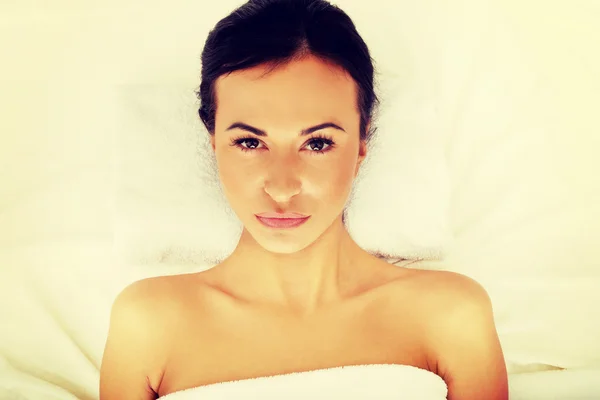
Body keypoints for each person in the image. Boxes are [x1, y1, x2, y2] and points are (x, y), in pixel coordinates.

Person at [99, 0, 509, 399]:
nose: (281, 187)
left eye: (317, 143)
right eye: (248, 141)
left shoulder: (450, 316)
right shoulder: (149, 322)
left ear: (363, 142)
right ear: (213, 143)